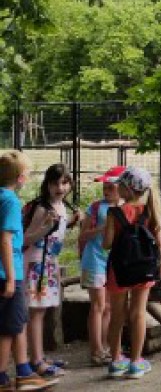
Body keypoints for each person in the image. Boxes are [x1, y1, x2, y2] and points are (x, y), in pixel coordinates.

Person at [0, 150, 57, 391]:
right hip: (8, 273)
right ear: (21, 177)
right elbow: (5, 238)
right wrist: (11, 278)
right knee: (8, 328)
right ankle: (2, 377)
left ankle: (21, 372)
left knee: (12, 324)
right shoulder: (11, 201)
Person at [103, 166, 161, 379]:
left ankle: (116, 360)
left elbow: (107, 244)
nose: (116, 186)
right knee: (138, 313)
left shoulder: (114, 212)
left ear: (127, 188)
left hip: (118, 270)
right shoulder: (150, 211)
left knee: (117, 316)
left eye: (120, 183)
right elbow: (160, 243)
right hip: (143, 270)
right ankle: (136, 362)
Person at [24, 163, 82, 378]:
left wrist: (69, 224)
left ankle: (38, 357)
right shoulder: (42, 208)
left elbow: (54, 233)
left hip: (48, 265)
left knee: (42, 311)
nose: (60, 187)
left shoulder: (61, 205)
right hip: (36, 266)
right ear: (47, 185)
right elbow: (27, 238)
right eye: (55, 183)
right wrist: (46, 228)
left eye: (65, 182)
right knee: (36, 314)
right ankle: (36, 361)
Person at [79, 165, 125, 365]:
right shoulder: (96, 207)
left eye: (110, 188)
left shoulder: (125, 208)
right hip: (94, 260)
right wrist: (102, 228)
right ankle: (95, 350)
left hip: (113, 262)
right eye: (104, 187)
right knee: (97, 306)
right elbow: (83, 235)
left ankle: (107, 346)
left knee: (107, 307)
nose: (106, 192)